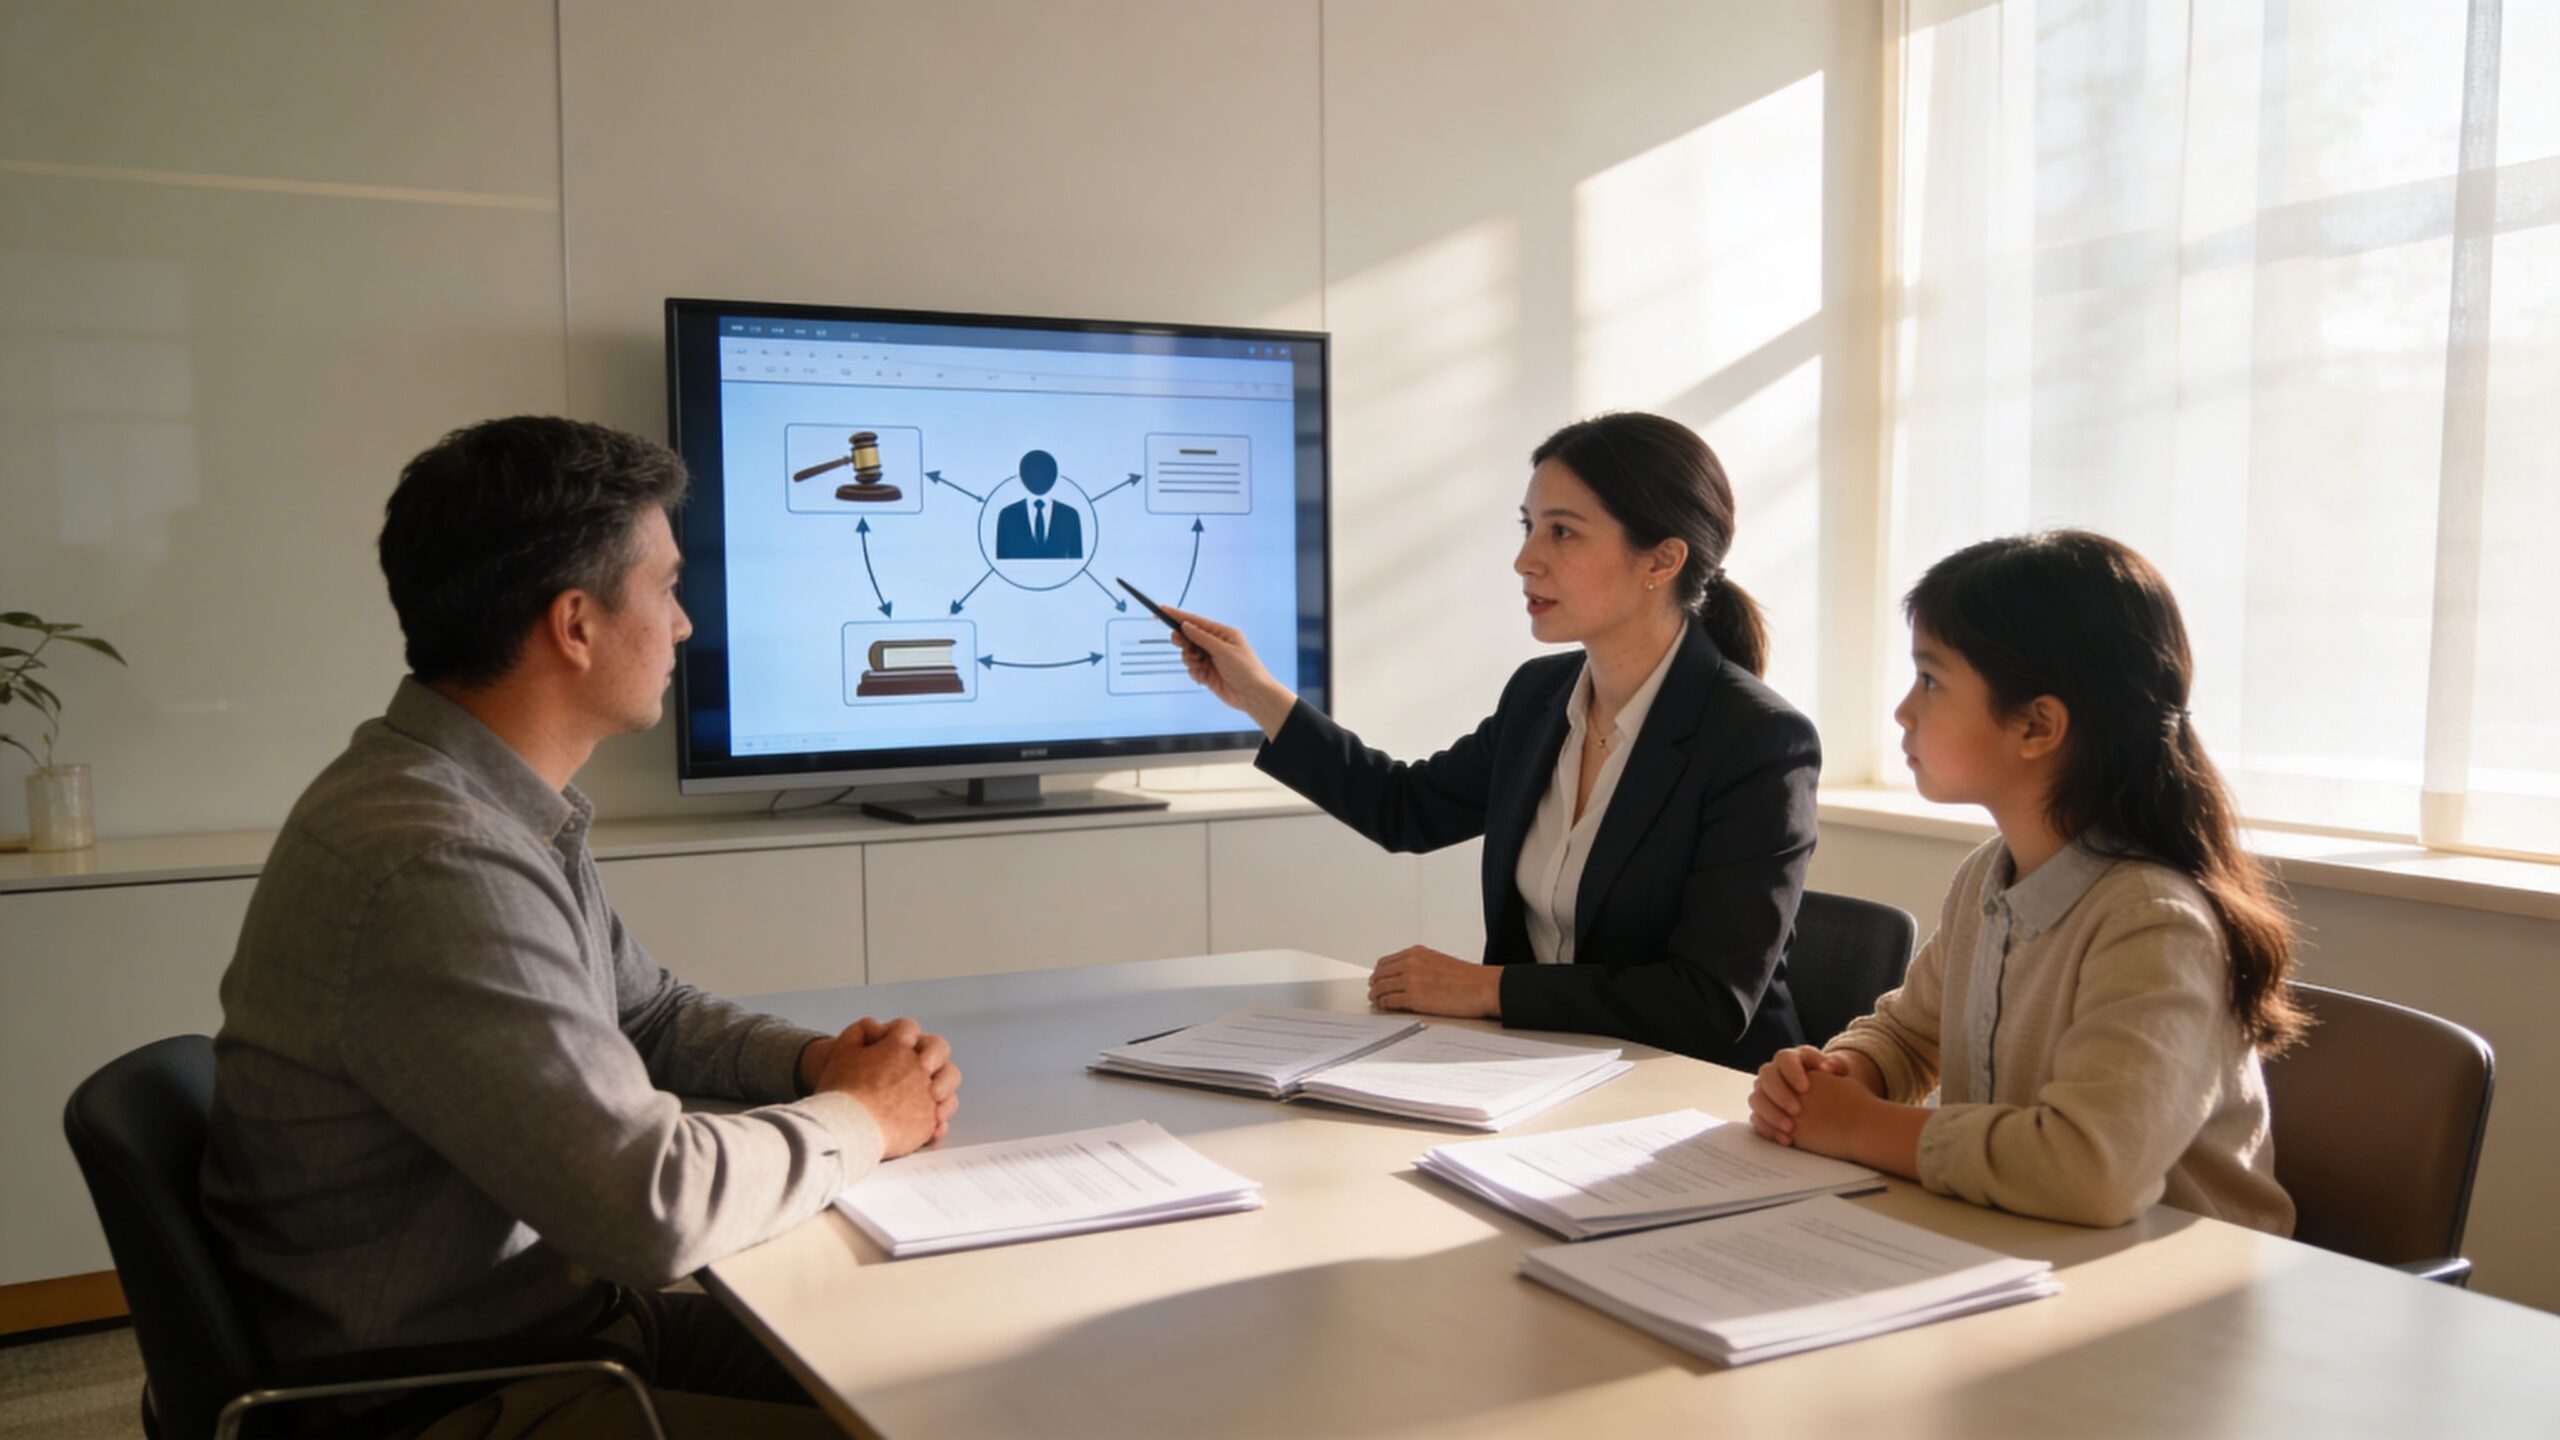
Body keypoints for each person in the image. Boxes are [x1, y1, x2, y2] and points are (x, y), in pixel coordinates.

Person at [202, 417, 961, 1439]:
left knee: (947, 1374)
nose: (685, 625)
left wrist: (819, 1062)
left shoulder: (481, 801)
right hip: (459, 1396)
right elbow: (654, 1208)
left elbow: (645, 1014)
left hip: (558, 1334)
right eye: (667, 588)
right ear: (575, 624)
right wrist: (868, 1118)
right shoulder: (435, 858)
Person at [1168, 412, 1820, 1065]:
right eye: (1528, 526)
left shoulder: (1761, 743)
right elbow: (1406, 808)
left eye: (1561, 531)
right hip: (1537, 1073)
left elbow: (1706, 1002)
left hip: (1700, 1099)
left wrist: (1490, 989)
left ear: (1662, 559)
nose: (1525, 559)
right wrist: (1255, 691)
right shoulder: (1539, 697)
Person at [1748, 530, 2300, 1233]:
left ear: (2037, 726)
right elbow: (1914, 1035)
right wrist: (1845, 1075)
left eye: (1931, 680)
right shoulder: (1992, 872)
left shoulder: (2153, 921)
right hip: (2024, 1250)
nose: (1903, 710)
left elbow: (2090, 1170)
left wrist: (1861, 1129)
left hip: (2176, 1300)